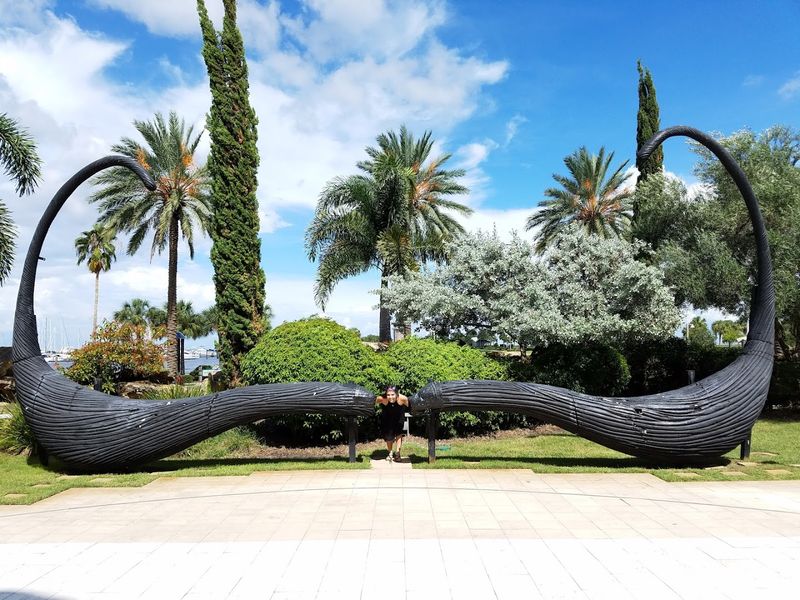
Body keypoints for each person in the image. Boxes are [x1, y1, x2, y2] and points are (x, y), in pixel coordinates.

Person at [376, 385, 410, 462]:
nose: (390, 397)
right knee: (389, 437)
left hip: (399, 418)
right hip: (387, 418)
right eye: (388, 395)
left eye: (392, 395)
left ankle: (397, 454)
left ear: (396, 394)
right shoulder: (382, 399)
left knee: (399, 435)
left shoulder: (402, 398)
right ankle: (390, 453)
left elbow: (411, 407)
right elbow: (372, 402)